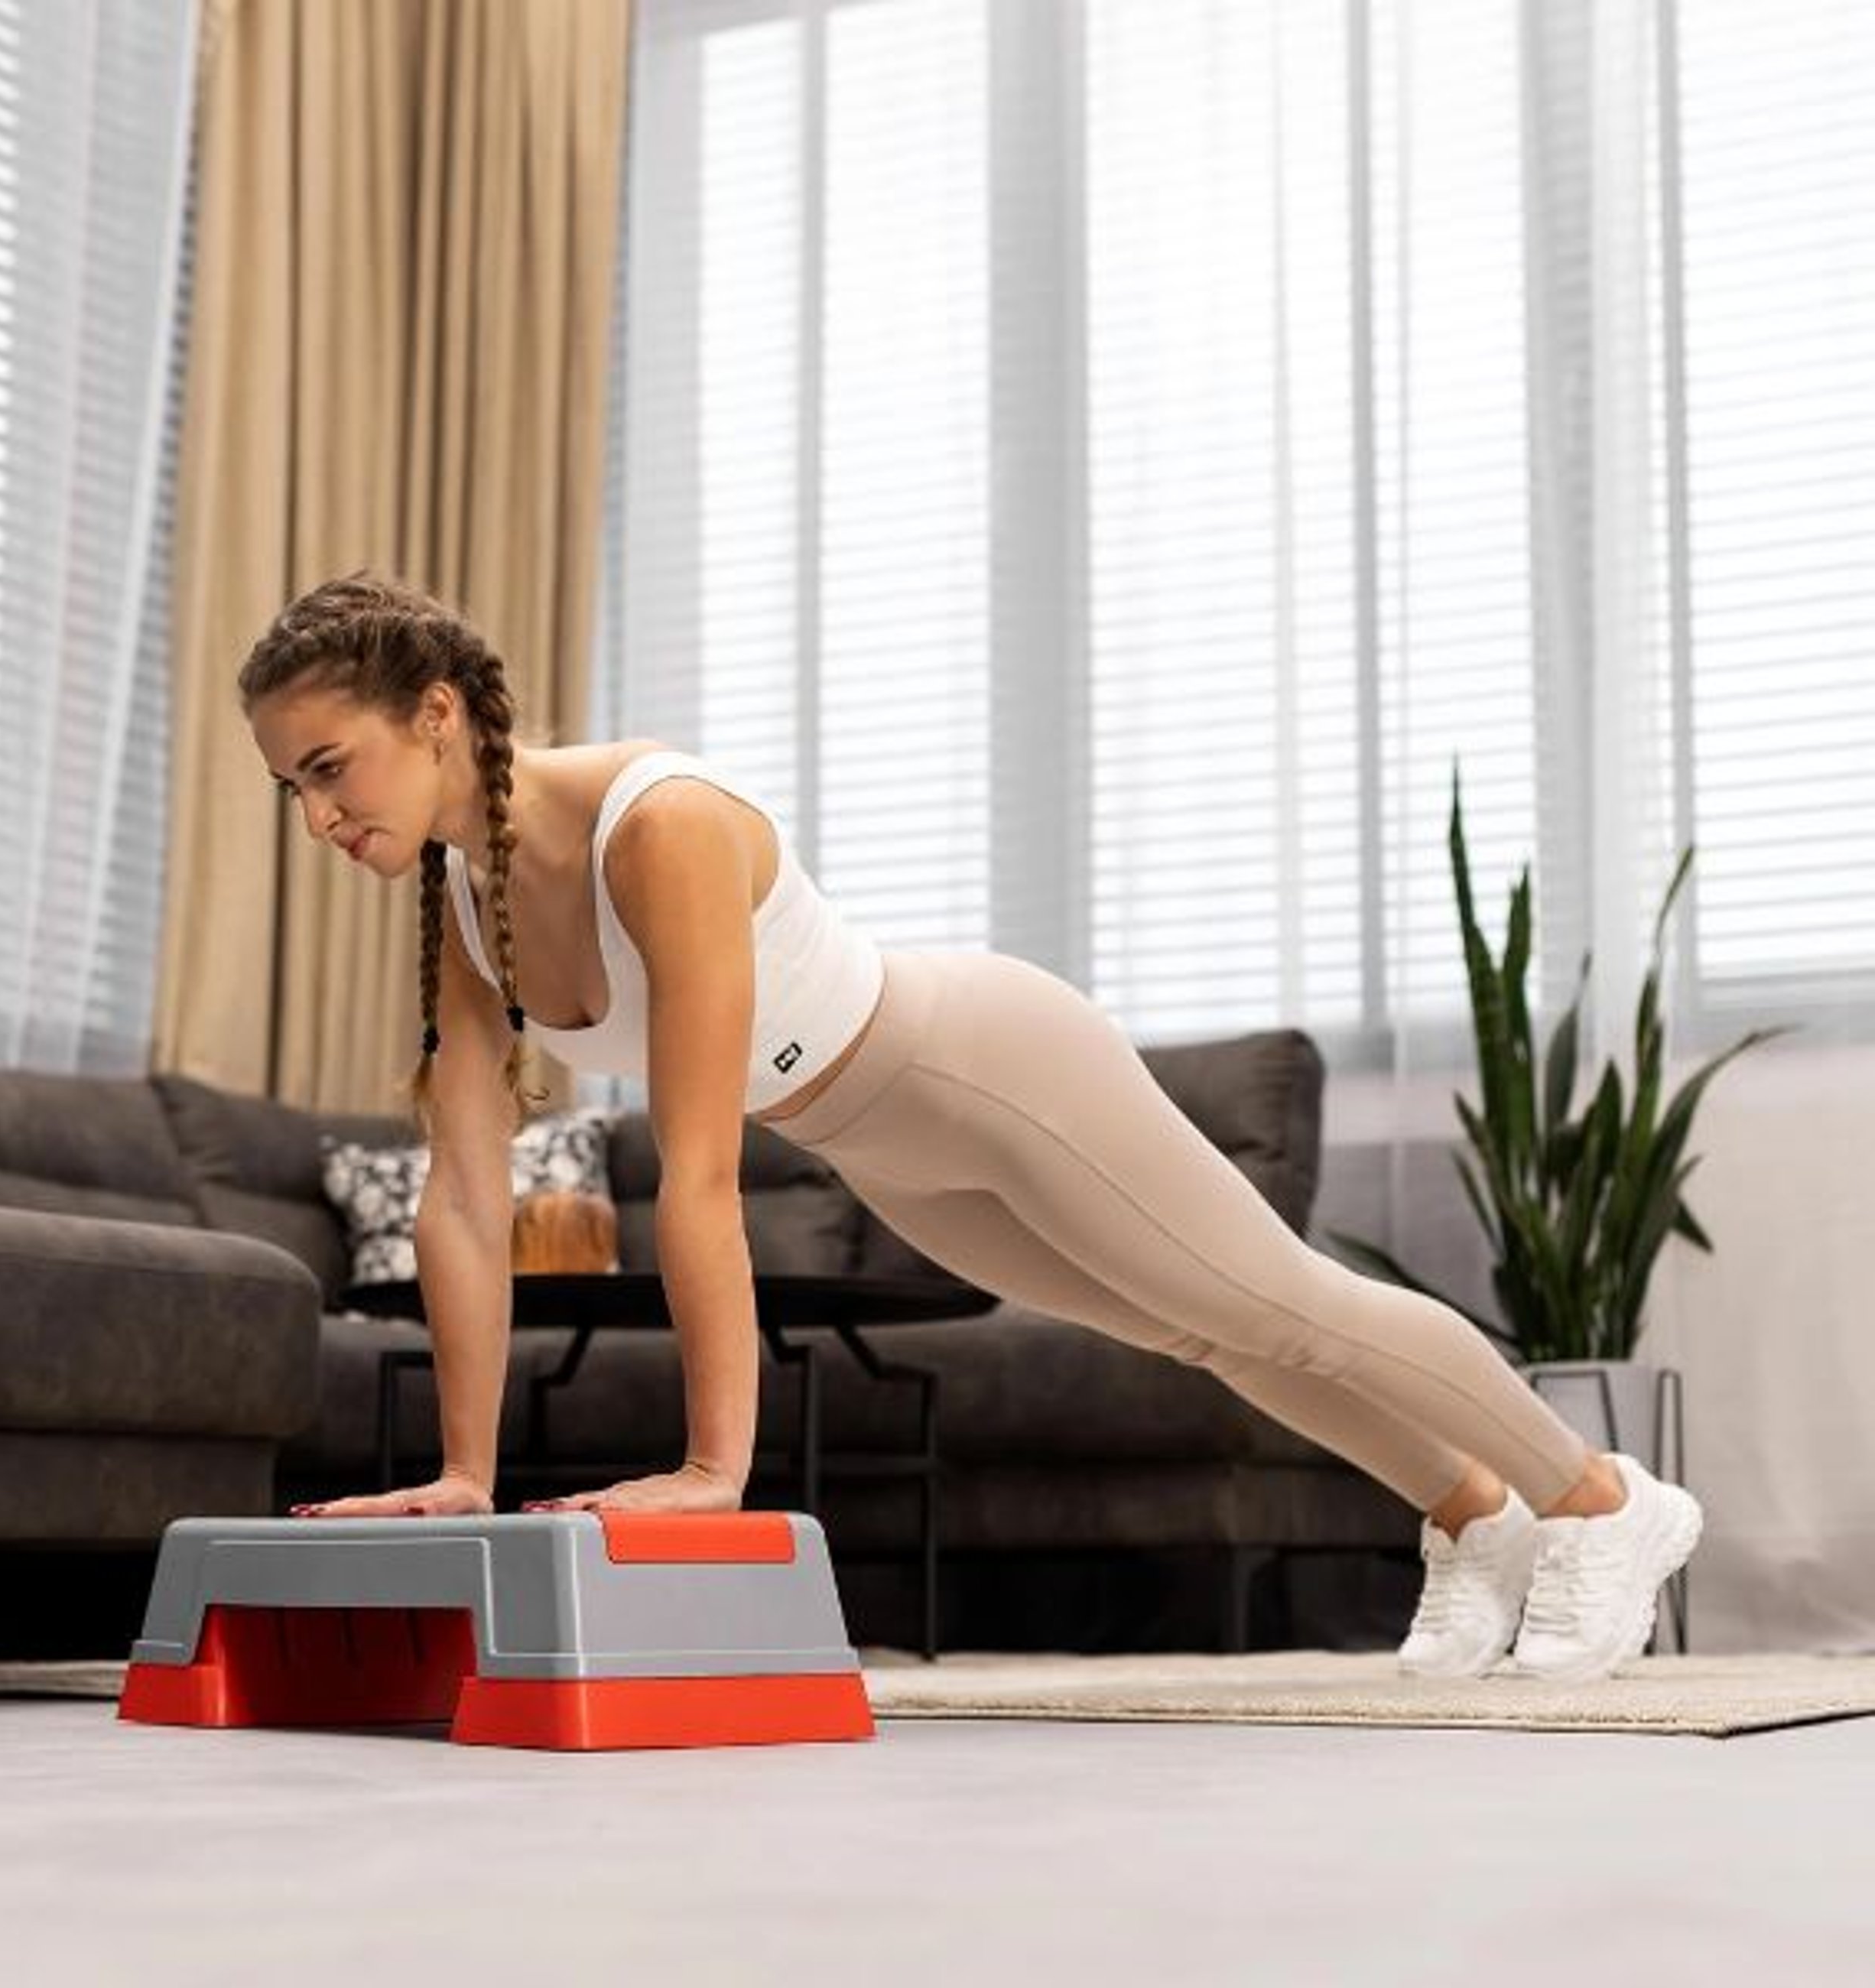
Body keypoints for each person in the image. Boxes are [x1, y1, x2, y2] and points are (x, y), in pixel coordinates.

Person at [240, 568, 1703, 1682]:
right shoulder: (463, 904)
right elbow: (468, 1200)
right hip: (889, 1151)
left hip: (989, 1064)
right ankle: (1475, 1515)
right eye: (288, 788)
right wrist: (468, 1477)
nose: (315, 819)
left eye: (327, 768)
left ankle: (1599, 1500)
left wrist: (711, 1476)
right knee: (1208, 1335)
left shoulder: (657, 824)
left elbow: (697, 1174)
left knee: (1278, 1300)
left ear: (434, 716)